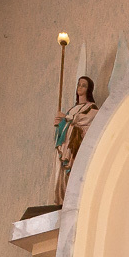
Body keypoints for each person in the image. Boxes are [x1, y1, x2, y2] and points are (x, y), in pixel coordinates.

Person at [52, 75, 98, 204]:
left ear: (88, 89)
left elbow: (84, 121)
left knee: (72, 172)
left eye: (83, 85)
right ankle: (62, 198)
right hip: (65, 146)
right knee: (61, 174)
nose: (80, 87)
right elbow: (66, 125)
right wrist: (60, 124)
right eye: (79, 84)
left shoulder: (91, 107)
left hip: (75, 146)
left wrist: (66, 119)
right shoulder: (72, 109)